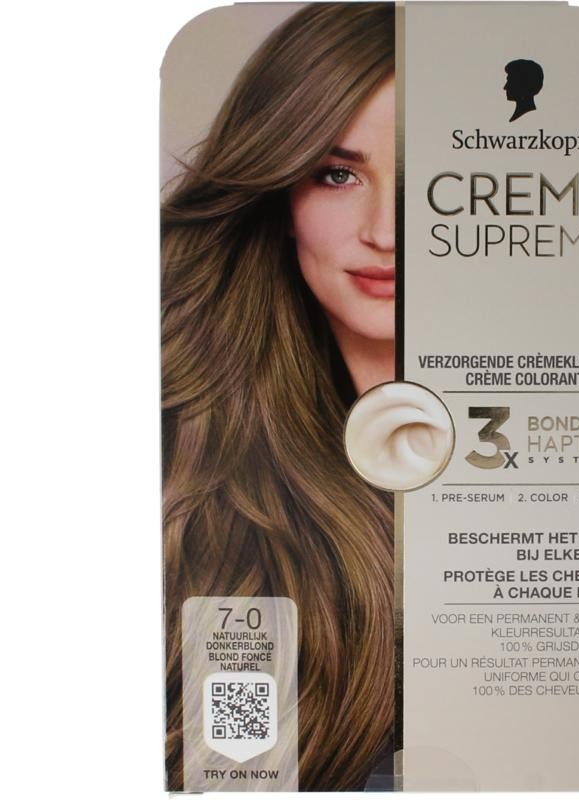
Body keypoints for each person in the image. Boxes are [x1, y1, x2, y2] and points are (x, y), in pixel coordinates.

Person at [161, 4, 395, 790]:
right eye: (338, 174)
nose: (386, 231)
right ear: (281, 196)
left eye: (431, 179)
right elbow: (229, 768)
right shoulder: (188, 458)